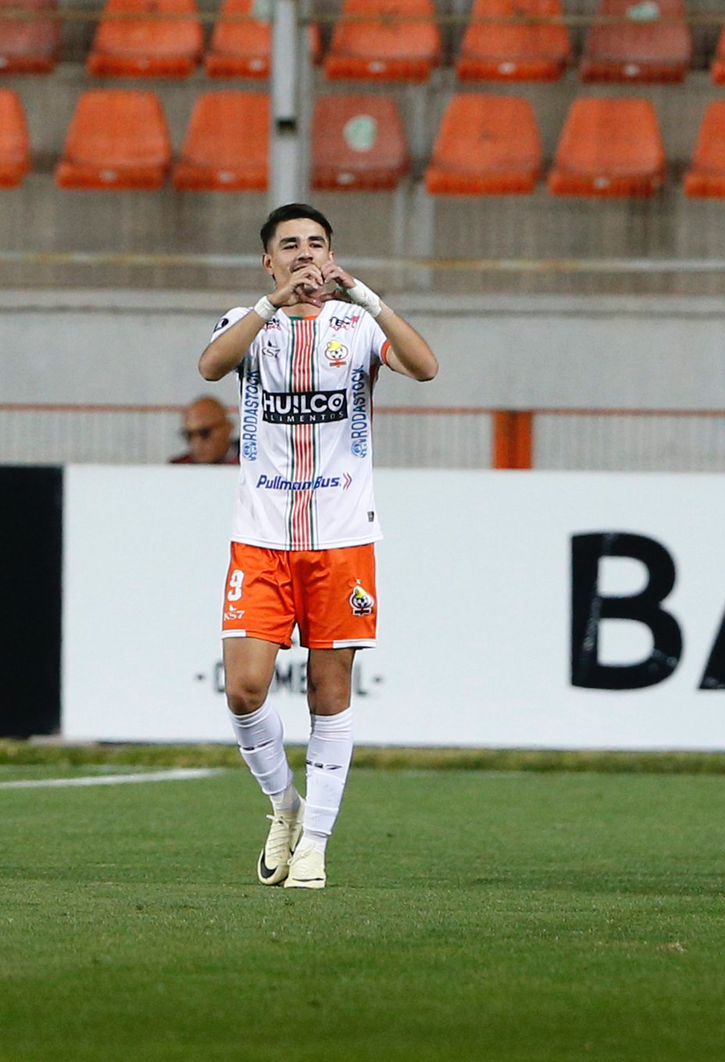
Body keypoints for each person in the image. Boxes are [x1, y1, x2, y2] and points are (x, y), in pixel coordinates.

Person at [198, 203, 439, 890]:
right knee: (245, 691)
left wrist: (362, 292)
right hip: (261, 538)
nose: (306, 254)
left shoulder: (357, 326)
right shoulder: (248, 325)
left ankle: (316, 848)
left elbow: (425, 367)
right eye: (290, 246)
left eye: (317, 243)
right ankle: (285, 807)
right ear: (268, 261)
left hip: (341, 538)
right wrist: (271, 305)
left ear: (332, 255)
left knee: (330, 694)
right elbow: (211, 367)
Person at [170, 396, 240, 464]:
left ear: (228, 428)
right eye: (189, 435)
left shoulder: (248, 463)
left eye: (204, 433)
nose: (196, 444)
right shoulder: (178, 468)